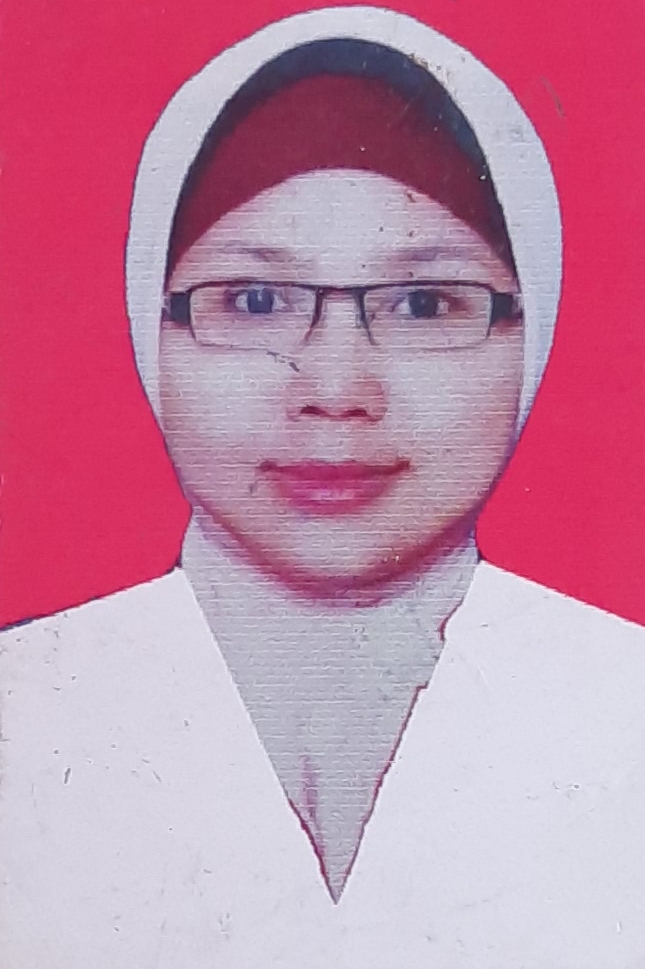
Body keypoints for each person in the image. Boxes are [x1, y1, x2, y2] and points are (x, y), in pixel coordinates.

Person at [1, 8, 644, 969]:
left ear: (533, 330)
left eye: (424, 303)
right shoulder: (27, 706)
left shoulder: (623, 703)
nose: (335, 390)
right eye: (254, 299)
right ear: (149, 326)